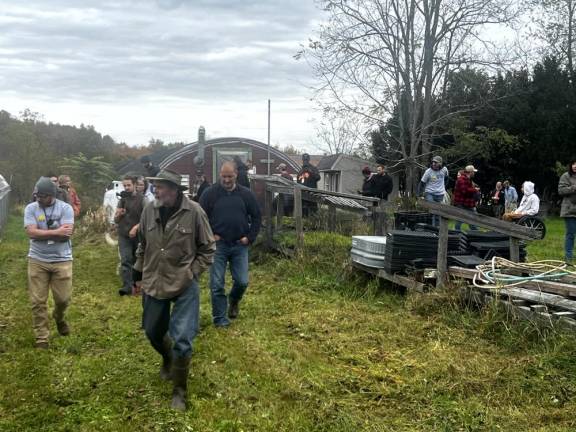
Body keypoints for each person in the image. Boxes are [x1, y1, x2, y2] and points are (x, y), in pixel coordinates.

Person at [133, 169, 215, 410]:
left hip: (183, 282)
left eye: (160, 187)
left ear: (174, 189)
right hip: (154, 280)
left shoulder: (195, 212)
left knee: (182, 337)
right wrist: (137, 274)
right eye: (155, 186)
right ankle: (168, 358)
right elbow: (143, 244)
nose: (155, 190)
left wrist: (192, 272)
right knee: (152, 330)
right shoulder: (149, 210)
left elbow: (208, 249)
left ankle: (180, 390)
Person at [200, 162, 262, 328]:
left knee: (242, 281)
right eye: (223, 176)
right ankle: (220, 319)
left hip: (239, 245)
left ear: (236, 175)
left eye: (230, 176)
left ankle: (233, 300)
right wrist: (209, 235)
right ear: (220, 174)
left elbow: (257, 217)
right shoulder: (210, 194)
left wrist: (249, 238)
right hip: (218, 246)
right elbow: (200, 218)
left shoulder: (246, 194)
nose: (226, 180)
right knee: (217, 284)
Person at [24, 177, 74, 349]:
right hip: (37, 259)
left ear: (52, 195)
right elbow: (31, 233)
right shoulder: (31, 208)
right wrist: (56, 232)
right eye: (37, 195)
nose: (39, 198)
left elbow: (66, 234)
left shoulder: (66, 208)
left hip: (62, 260)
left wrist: (42, 233)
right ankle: (41, 337)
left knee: (63, 299)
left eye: (43, 196)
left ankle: (59, 317)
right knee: (38, 301)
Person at [115, 175, 145, 296]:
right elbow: (116, 220)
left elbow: (147, 218)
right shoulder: (122, 199)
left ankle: (138, 286)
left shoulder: (143, 199)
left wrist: (136, 227)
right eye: (124, 185)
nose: (126, 188)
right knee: (126, 260)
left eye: (129, 185)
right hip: (124, 234)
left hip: (138, 235)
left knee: (138, 260)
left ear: (135, 185)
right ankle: (127, 287)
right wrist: (118, 215)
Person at [419, 156, 449, 226]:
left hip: (440, 194)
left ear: (440, 163)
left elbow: (447, 178)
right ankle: (432, 227)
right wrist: (420, 194)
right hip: (430, 193)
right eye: (433, 162)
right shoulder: (428, 172)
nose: (434, 164)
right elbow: (422, 183)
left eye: (436, 162)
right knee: (434, 210)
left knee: (439, 212)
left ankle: (437, 228)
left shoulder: (444, 169)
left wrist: (444, 187)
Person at [559, 160, 576, 263]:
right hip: (569, 210)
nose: (575, 166)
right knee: (571, 234)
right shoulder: (565, 176)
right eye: (574, 164)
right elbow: (561, 191)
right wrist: (574, 188)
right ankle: (568, 257)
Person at [453, 165, 479, 231]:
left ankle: (475, 232)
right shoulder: (462, 179)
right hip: (462, 203)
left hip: (467, 203)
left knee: (472, 218)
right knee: (461, 219)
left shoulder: (467, 179)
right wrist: (475, 190)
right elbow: (464, 191)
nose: (474, 173)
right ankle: (455, 233)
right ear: (470, 172)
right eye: (473, 172)